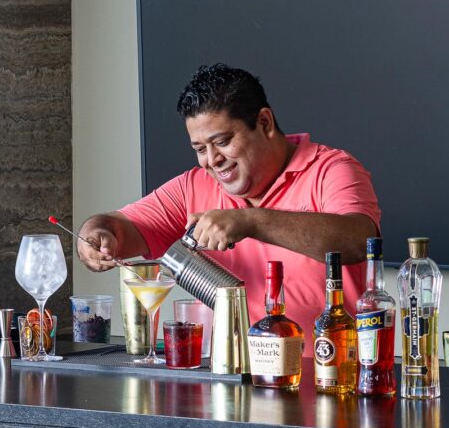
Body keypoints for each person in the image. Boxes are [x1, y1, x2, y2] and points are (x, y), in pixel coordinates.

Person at [77, 63, 380, 336]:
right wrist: (96, 235)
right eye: (199, 148)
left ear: (264, 123)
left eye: (222, 142)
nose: (211, 160)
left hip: (330, 379)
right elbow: (119, 226)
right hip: (229, 383)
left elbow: (358, 242)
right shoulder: (191, 187)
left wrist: (251, 221)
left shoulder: (332, 170)